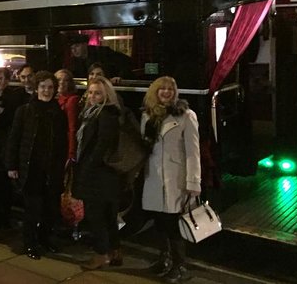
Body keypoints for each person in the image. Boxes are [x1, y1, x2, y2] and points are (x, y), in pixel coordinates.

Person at [141, 76, 201, 283]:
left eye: (170, 89)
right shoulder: (148, 116)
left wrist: (194, 183)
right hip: (154, 177)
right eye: (162, 89)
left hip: (175, 178)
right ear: (154, 92)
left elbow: (193, 152)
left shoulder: (186, 115)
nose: (166, 92)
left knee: (174, 224)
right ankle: (163, 259)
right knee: (159, 221)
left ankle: (179, 265)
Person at [6, 70, 68, 260]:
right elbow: (14, 139)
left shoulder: (58, 113)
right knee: (32, 210)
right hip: (31, 168)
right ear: (37, 88)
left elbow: (62, 142)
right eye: (43, 87)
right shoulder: (25, 111)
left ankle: (44, 239)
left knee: (50, 209)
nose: (47, 91)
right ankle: (30, 243)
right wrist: (12, 165)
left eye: (50, 87)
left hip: (51, 168)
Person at [72, 76, 123, 269]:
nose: (93, 96)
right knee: (108, 215)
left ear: (107, 95)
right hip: (103, 174)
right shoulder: (93, 113)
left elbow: (101, 147)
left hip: (98, 174)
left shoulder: (105, 115)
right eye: (90, 92)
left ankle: (101, 254)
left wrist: (86, 168)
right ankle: (115, 252)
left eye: (98, 93)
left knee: (96, 216)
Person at [0, 67, 20, 229]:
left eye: (5, 79)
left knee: (4, 184)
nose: (2, 82)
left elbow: (13, 119)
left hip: (5, 142)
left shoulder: (13, 97)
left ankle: (4, 218)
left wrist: (2, 112)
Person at [65, 34, 130, 82]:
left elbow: (125, 61)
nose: (74, 50)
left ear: (85, 44)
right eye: (72, 48)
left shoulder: (103, 52)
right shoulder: (75, 62)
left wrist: (119, 77)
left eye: (77, 46)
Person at [55, 69, 80, 162]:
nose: (61, 83)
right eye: (58, 80)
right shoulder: (54, 99)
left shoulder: (72, 100)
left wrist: (71, 153)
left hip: (64, 144)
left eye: (66, 80)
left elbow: (72, 128)